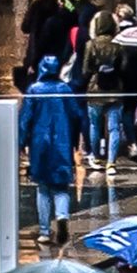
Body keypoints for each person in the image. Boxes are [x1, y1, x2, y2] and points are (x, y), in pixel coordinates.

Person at [22, 53, 83, 241]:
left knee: (43, 188)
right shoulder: (65, 89)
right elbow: (77, 115)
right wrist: (78, 141)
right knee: (61, 187)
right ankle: (62, 216)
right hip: (62, 142)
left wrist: (21, 142)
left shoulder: (34, 90)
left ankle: (44, 231)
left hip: (39, 143)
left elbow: (25, 119)